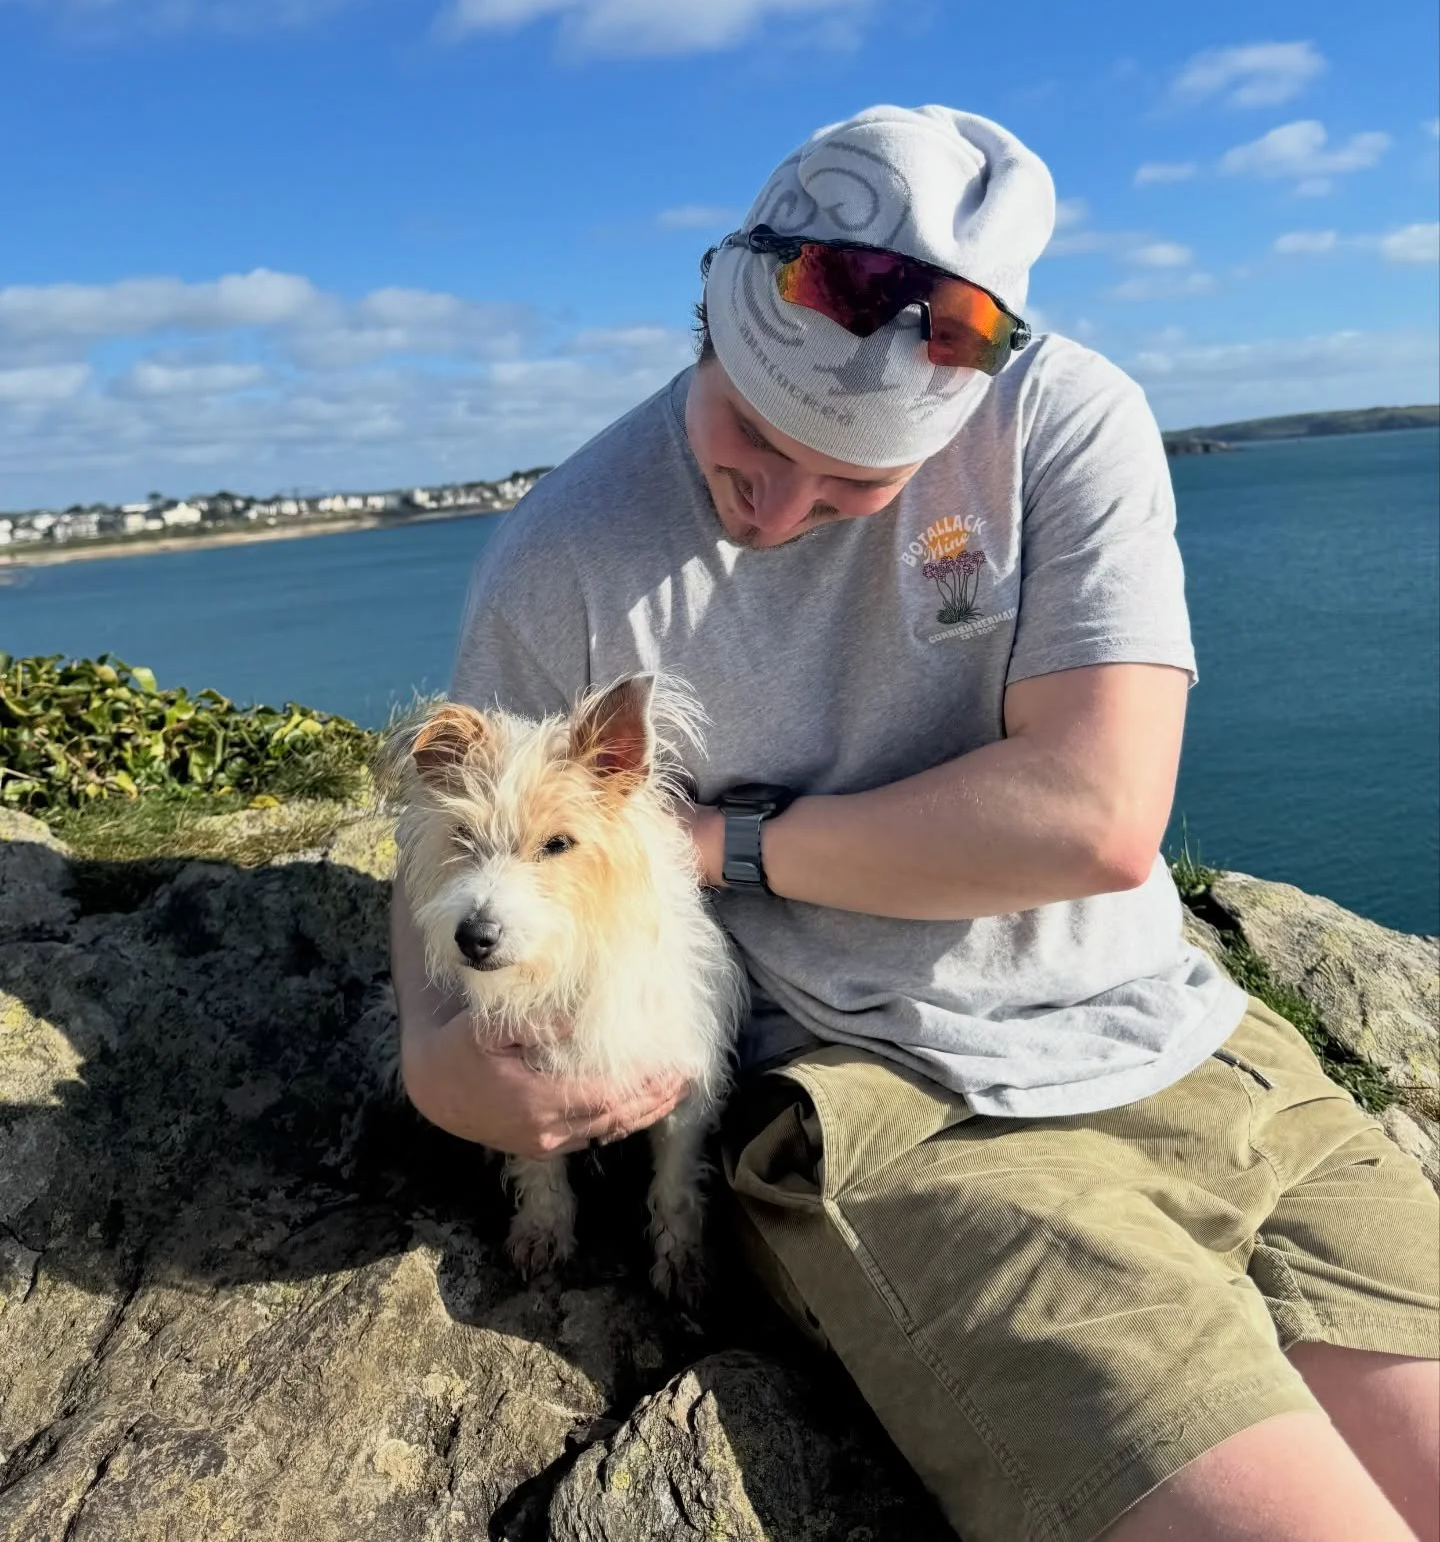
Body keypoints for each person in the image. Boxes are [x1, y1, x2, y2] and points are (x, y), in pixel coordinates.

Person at [390, 105, 1439, 1542]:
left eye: (857, 482)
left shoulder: (1067, 419)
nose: (779, 510)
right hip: (897, 1107)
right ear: (708, 313)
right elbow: (449, 854)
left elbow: (1096, 816)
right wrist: (450, 1071)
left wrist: (719, 843)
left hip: (1198, 1047)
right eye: (751, 438)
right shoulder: (564, 557)